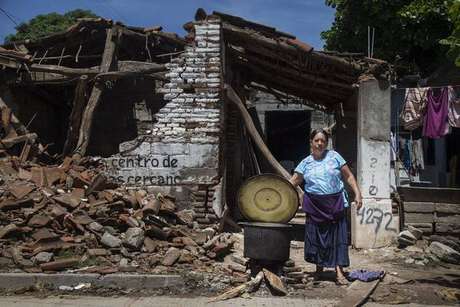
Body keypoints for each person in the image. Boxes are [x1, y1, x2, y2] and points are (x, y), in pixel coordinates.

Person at [289, 128, 362, 285]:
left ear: (326, 142)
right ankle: (319, 270)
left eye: (323, 140)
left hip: (335, 203)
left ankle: (339, 273)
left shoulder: (335, 157)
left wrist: (358, 193)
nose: (320, 143)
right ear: (311, 142)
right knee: (317, 238)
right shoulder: (306, 163)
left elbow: (348, 176)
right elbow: (293, 181)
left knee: (337, 237)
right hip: (315, 205)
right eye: (317, 140)